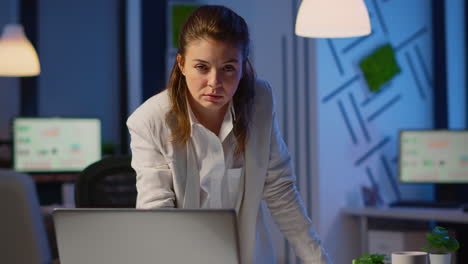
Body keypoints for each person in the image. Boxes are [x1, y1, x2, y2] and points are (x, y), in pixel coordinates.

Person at [127, 5, 332, 264]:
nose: (214, 82)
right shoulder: (149, 120)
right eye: (202, 67)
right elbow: (156, 214)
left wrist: (320, 261)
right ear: (181, 64)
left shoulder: (260, 102)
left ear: (243, 66)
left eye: (228, 68)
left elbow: (281, 192)